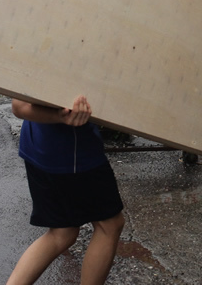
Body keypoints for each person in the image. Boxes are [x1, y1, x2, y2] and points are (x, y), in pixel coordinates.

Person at [7, 94, 125, 285]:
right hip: (71, 151)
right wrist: (60, 117)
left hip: (37, 144)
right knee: (108, 225)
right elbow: (19, 107)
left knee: (62, 233)